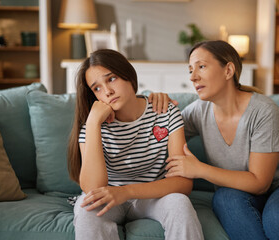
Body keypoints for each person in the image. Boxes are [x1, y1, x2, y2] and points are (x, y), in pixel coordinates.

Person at [149, 40, 279, 240]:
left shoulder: (263, 110)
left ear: (228, 70)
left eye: (201, 66)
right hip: (242, 193)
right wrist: (155, 104)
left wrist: (199, 169)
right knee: (224, 199)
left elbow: (260, 182)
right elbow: (157, 135)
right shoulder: (199, 111)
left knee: (278, 215)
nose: (192, 76)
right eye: (190, 69)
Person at [67, 49, 203, 240]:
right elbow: (92, 188)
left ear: (128, 76)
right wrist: (92, 124)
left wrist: (125, 192)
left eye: (111, 79)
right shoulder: (91, 125)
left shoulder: (165, 112)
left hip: (152, 197)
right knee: (87, 210)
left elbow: (183, 183)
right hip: (108, 200)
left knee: (179, 203)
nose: (107, 91)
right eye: (96, 88)